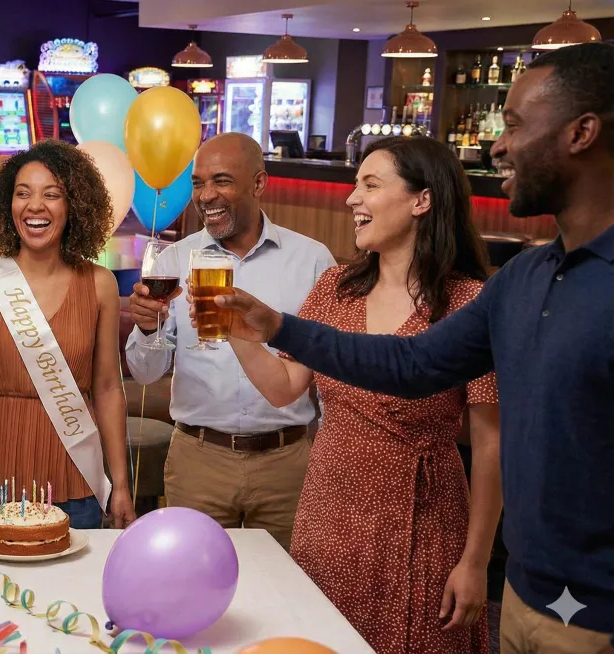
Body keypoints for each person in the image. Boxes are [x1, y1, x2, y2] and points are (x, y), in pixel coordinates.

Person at [210, 43, 614, 654]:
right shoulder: (523, 280)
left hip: (489, 557)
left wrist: (475, 559)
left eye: (514, 125)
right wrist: (268, 328)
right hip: (511, 585)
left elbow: (492, 438)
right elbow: (409, 363)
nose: (497, 147)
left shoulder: (476, 292)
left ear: (581, 133)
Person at [224, 135, 501, 653]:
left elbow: (491, 445)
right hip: (329, 511)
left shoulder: (469, 302)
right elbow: (284, 388)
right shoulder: (336, 287)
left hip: (422, 522)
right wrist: (236, 333)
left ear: (422, 200)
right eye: (355, 185)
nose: (352, 198)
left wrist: (475, 561)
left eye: (370, 185)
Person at [124, 132, 336, 551]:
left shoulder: (312, 261)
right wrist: (147, 329)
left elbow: (331, 371)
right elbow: (145, 373)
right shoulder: (174, 260)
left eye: (221, 181)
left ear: (258, 183)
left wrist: (329, 462)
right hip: (198, 460)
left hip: (287, 463)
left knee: (287, 584)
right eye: (198, 183)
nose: (206, 196)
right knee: (191, 579)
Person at [0, 139, 137, 529]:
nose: (34, 205)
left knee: (73, 570)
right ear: (9, 204)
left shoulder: (100, 283)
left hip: (72, 468)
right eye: (23, 193)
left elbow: (107, 388)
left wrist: (120, 484)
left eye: (51, 194)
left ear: (74, 206)